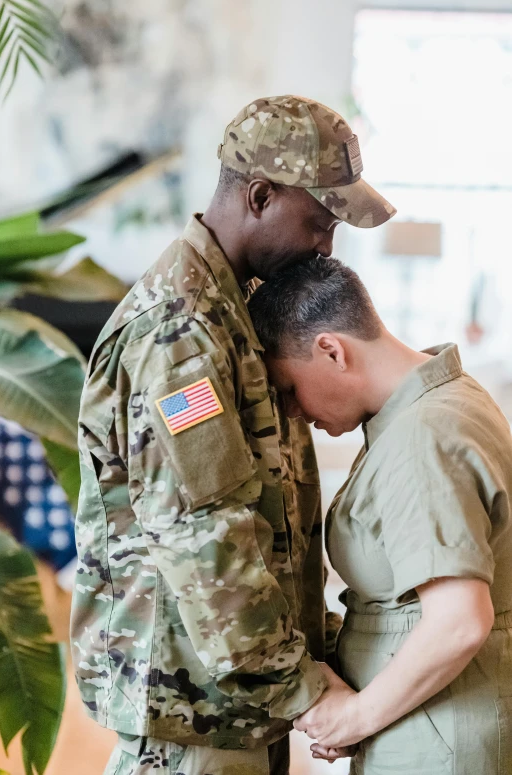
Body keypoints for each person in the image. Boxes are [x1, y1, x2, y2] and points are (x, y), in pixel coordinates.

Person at [70, 96, 396, 775]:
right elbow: (204, 534)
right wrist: (306, 691)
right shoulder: (181, 331)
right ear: (259, 195)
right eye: (320, 219)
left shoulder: (233, 311)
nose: (326, 245)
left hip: (231, 706)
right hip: (190, 721)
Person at [247, 256, 512, 775]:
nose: (294, 412)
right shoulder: (438, 403)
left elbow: (459, 622)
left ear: (331, 350)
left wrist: (355, 717)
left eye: (290, 388)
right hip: (438, 722)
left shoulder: (422, 436)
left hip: (441, 737)